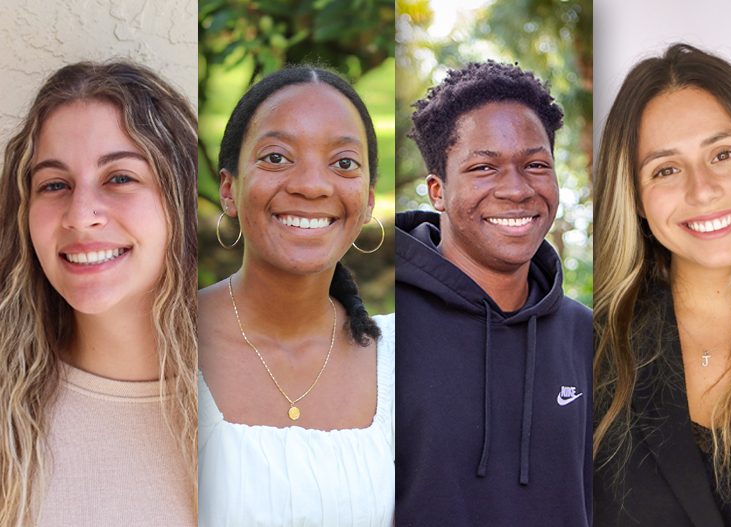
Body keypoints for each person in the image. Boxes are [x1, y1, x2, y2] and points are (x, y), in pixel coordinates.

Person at [594, 43, 731, 526]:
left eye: (723, 153)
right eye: (666, 169)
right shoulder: (587, 353)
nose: (701, 189)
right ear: (636, 198)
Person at [395, 60, 593, 526]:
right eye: (485, 167)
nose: (516, 190)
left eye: (535, 165)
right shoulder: (378, 325)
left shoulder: (588, 335)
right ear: (437, 190)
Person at [0, 62, 197, 526]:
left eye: (119, 178)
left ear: (179, 199)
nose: (81, 214)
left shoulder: (250, 391)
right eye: (54, 185)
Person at [197, 67, 394, 526]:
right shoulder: (167, 340)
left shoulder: (402, 361)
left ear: (367, 201)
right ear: (229, 188)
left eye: (343, 162)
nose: (311, 185)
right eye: (277, 157)